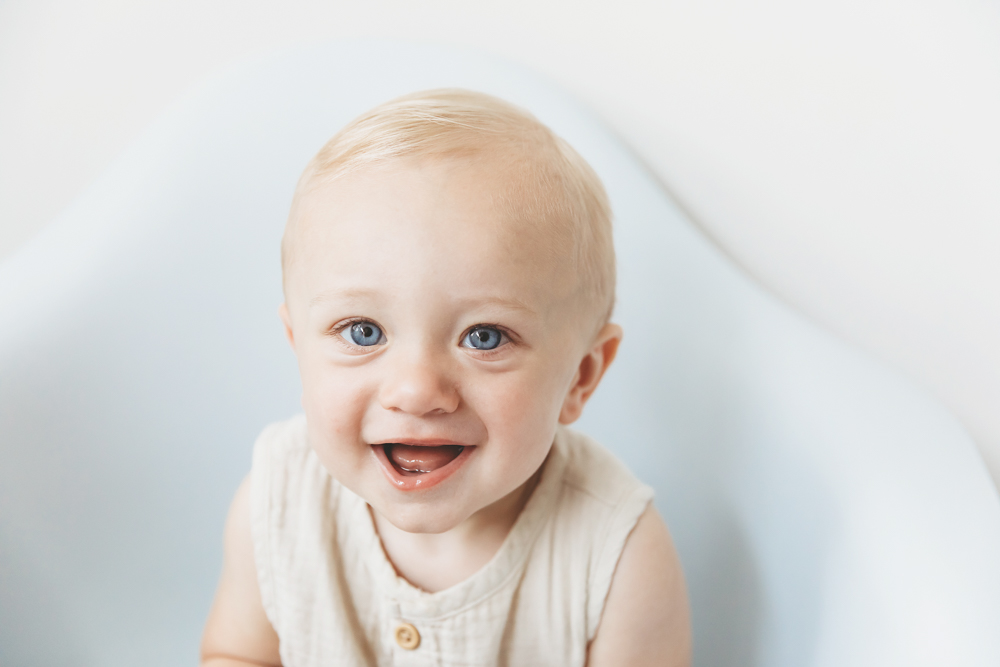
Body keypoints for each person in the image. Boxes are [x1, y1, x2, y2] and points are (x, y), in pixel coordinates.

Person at [200, 89, 690, 667]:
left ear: (580, 376)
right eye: (363, 332)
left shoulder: (616, 554)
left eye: (484, 337)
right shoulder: (278, 501)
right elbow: (237, 653)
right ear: (298, 349)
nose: (415, 390)